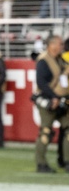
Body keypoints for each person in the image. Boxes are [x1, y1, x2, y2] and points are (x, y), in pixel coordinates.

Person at [32, 34, 68, 173]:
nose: (61, 46)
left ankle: (66, 161)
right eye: (59, 44)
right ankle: (41, 163)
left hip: (62, 100)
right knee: (46, 132)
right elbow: (41, 83)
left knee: (67, 130)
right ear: (51, 45)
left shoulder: (60, 60)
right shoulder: (43, 60)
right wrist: (53, 97)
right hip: (48, 100)